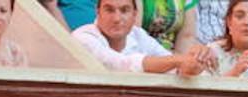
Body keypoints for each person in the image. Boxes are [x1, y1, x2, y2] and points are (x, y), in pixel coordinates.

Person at [74, 0, 214, 72]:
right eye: (109, 10)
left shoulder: (138, 35)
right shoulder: (84, 37)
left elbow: (168, 62)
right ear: (97, 12)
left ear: (134, 15)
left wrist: (196, 60)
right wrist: (180, 60)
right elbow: (124, 64)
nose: (116, 18)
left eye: (124, 10)